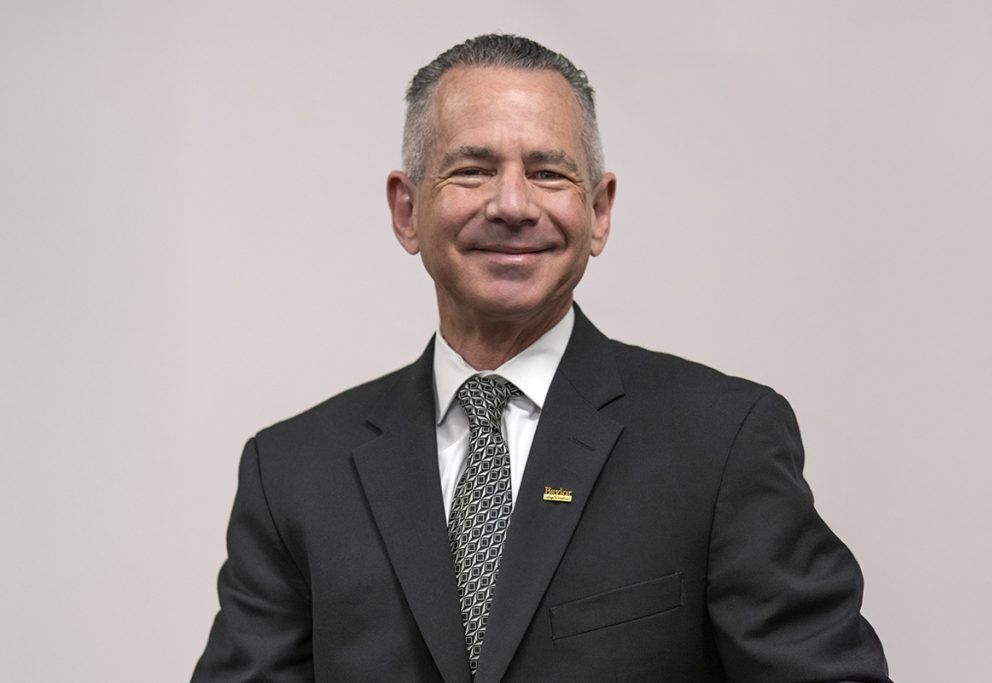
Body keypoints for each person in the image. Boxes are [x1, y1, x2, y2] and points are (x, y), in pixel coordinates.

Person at [192, 34, 890, 682]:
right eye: (472, 170)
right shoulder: (292, 473)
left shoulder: (721, 444)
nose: (512, 204)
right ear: (406, 210)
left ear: (599, 211)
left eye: (549, 172)